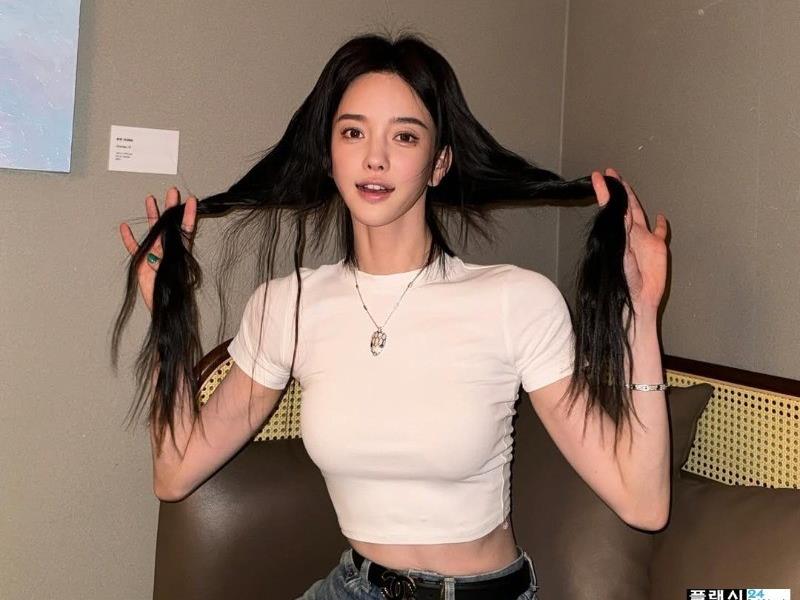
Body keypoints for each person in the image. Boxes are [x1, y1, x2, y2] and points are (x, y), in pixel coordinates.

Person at [114, 31, 670, 600]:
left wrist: (641, 312)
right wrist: (166, 312)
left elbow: (643, 502)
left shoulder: (516, 301)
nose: (374, 157)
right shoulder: (289, 306)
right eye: (353, 132)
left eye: (404, 136)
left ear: (439, 163)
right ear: (329, 156)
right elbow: (175, 472)